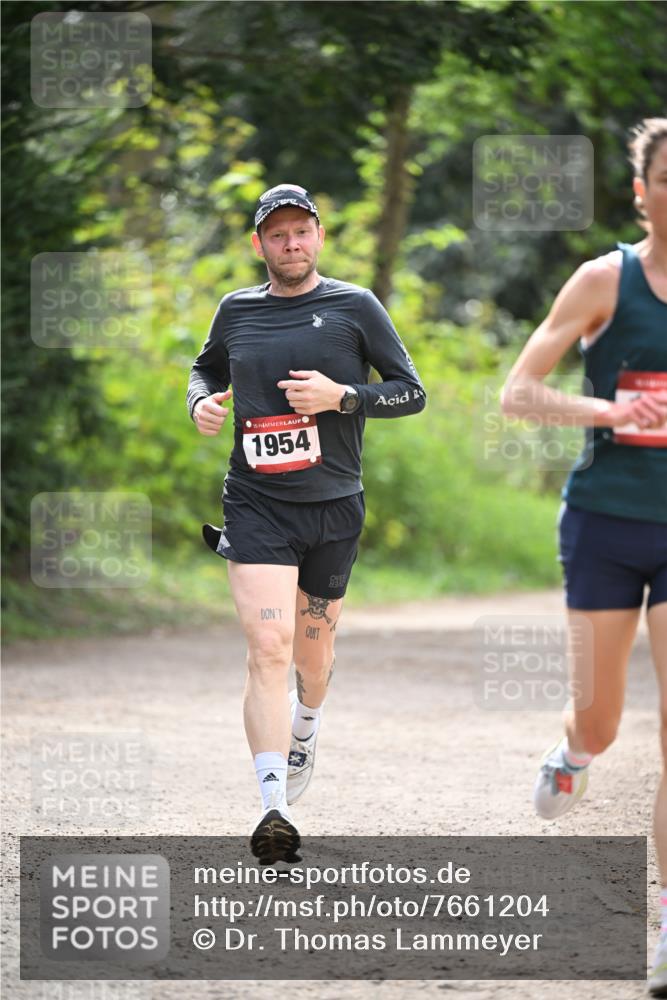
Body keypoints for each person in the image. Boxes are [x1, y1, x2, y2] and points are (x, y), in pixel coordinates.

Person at [186, 184, 426, 865]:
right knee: (268, 648)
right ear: (258, 244)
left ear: (317, 237)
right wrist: (201, 402)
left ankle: (307, 723)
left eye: (302, 232)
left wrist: (342, 396)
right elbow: (204, 369)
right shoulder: (236, 311)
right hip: (255, 503)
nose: (291, 244)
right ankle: (272, 808)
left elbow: (410, 391)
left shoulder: (353, 307)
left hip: (332, 507)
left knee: (311, 661)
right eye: (277, 234)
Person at [501, 118, 667, 996]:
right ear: (641, 191)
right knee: (601, 719)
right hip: (605, 523)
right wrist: (609, 414)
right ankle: (573, 753)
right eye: (666, 179)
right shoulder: (605, 280)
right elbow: (518, 392)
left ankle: (665, 929)